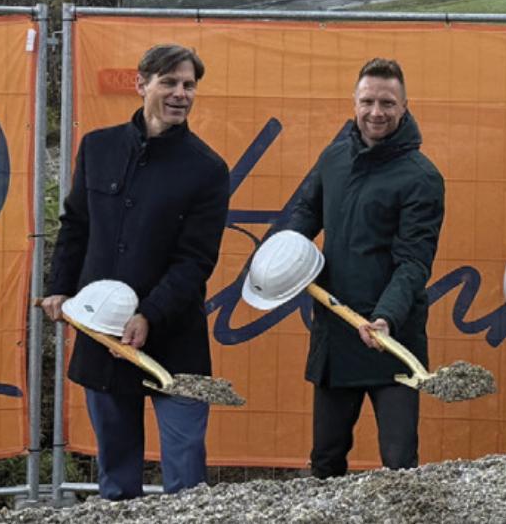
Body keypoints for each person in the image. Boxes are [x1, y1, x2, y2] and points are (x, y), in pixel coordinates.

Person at [43, 44, 230, 500]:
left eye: (189, 86)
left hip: (176, 343)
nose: (180, 94)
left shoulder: (208, 169)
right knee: (117, 478)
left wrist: (149, 314)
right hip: (103, 337)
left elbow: (196, 261)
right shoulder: (98, 147)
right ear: (141, 83)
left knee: (186, 481)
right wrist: (59, 288)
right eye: (169, 82)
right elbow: (76, 225)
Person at [272, 57, 444, 478]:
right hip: (336, 334)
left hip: (392, 338)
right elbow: (304, 210)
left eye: (387, 103)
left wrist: (385, 317)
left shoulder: (422, 177)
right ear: (354, 102)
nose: (376, 112)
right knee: (326, 460)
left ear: (405, 106)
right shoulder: (333, 158)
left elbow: (413, 262)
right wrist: (285, 254)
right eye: (367, 101)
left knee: (400, 465)